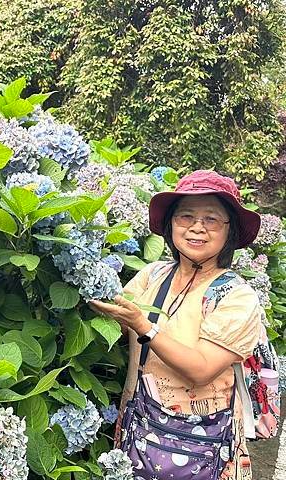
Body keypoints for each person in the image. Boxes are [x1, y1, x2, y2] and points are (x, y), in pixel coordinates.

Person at [90, 170, 263, 480]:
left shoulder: (237, 296)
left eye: (211, 219)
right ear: (170, 225)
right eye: (186, 217)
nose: (197, 228)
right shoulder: (153, 274)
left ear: (230, 231)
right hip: (139, 431)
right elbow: (113, 315)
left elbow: (201, 368)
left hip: (203, 448)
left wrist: (144, 325)